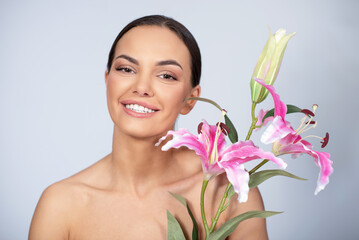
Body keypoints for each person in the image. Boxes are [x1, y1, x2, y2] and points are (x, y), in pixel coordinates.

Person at [29, 15, 268, 240]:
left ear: (191, 99)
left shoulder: (228, 191)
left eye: (166, 75)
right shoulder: (61, 204)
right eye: (126, 69)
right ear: (107, 80)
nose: (141, 87)